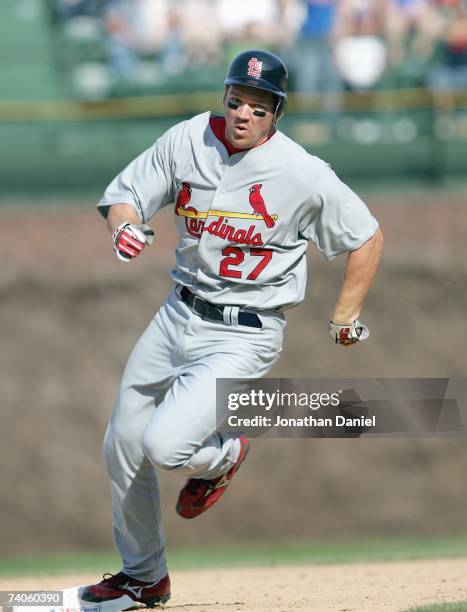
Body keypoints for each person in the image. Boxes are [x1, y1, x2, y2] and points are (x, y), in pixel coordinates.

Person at [81, 49, 383, 608]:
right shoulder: (188, 139)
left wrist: (346, 315)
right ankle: (144, 576)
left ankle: (226, 454)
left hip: (245, 330)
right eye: (236, 101)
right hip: (178, 310)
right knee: (121, 442)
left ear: (277, 113)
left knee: (165, 445)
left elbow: (365, 236)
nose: (244, 114)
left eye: (259, 107)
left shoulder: (303, 173)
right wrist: (124, 227)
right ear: (224, 99)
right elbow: (125, 196)